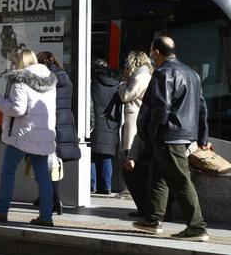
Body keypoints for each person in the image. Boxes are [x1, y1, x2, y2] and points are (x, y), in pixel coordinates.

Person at [133, 36, 210, 242]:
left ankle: (197, 226)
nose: (150, 55)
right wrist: (203, 135)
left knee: (180, 180)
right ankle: (152, 219)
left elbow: (161, 106)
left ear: (157, 52)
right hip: (184, 134)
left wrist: (155, 131)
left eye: (151, 51)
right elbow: (202, 107)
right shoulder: (192, 73)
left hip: (169, 135)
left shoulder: (163, 73)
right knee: (159, 173)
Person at [0, 48, 58, 226]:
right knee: (43, 176)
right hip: (42, 135)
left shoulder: (20, 79)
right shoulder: (49, 80)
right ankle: (46, 216)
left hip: (21, 135)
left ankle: (1, 209)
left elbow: (18, 109)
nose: (13, 65)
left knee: (8, 171)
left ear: (19, 62)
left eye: (14, 62)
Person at [38, 52, 80, 215]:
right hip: (64, 120)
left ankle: (55, 199)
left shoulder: (48, 78)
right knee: (52, 162)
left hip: (51, 121)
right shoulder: (64, 76)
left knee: (49, 162)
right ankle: (45, 197)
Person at [119, 51, 154, 217]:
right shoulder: (145, 75)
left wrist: (121, 85)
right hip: (135, 119)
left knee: (131, 158)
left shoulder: (141, 77)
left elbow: (127, 95)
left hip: (135, 119)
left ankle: (142, 205)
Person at [90, 59, 123, 195]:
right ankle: (106, 187)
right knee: (106, 156)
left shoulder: (92, 83)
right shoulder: (117, 84)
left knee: (91, 155)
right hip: (111, 123)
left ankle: (91, 185)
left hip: (95, 123)